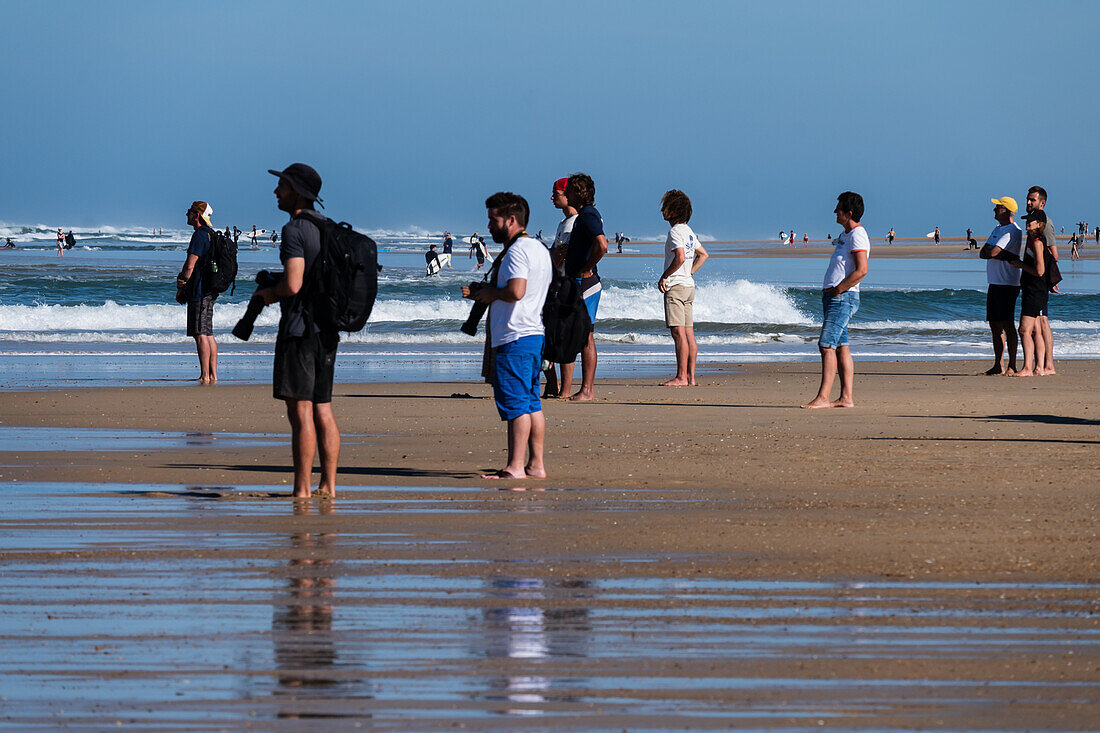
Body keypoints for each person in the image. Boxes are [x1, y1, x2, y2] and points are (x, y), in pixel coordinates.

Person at [253, 163, 340, 500]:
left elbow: (293, 283)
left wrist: (268, 294)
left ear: (298, 192)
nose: (277, 192)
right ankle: (329, 486)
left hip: (299, 330)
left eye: (283, 186)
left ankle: (302, 489)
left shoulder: (294, 230)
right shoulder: (329, 228)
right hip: (328, 330)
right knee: (323, 408)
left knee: (300, 411)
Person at [461, 192, 551, 479]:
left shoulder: (517, 251)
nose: (489, 226)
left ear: (511, 220)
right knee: (530, 402)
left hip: (515, 336)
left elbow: (516, 291)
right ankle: (535, 464)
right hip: (533, 334)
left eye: (493, 220)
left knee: (515, 405)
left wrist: (489, 294)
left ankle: (515, 466)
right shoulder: (538, 249)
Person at [802, 192, 869, 409]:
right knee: (841, 346)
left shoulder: (857, 235)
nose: (834, 211)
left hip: (843, 298)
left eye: (838, 208)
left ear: (849, 213)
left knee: (826, 345)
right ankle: (846, 397)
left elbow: (862, 270)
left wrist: (839, 289)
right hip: (836, 297)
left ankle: (823, 397)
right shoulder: (845, 235)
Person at [560, 173, 608, 401]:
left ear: (577, 193)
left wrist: (588, 267)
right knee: (580, 336)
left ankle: (587, 390)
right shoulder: (584, 216)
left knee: (586, 337)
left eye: (568, 190)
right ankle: (583, 389)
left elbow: (602, 245)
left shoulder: (588, 215)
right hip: (577, 283)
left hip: (586, 284)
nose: (565, 193)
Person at [657, 189, 709, 387]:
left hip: (677, 286)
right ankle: (691, 377)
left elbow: (679, 257)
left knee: (678, 333)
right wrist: (690, 272)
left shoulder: (675, 232)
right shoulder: (688, 231)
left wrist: (665, 276)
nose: (662, 210)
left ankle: (681, 377)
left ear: (672, 210)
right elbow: (703, 254)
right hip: (688, 286)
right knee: (688, 334)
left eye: (665, 207)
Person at [979, 196, 1023, 375]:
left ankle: (1012, 364)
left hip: (1007, 282)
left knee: (1007, 324)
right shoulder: (998, 228)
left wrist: (994, 252)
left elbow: (993, 251)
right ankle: (999, 364)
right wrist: (995, 253)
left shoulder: (1013, 230)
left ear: (1006, 210)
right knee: (994, 324)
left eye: (998, 207)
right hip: (994, 281)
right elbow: (984, 252)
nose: (994, 210)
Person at [177, 201, 219, 384]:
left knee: (200, 333)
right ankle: (213, 375)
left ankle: (205, 375)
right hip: (210, 289)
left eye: (189, 212)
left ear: (197, 215)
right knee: (208, 332)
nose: (186, 215)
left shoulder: (199, 236)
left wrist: (182, 284)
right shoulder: (211, 234)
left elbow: (190, 265)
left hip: (199, 290)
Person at [545, 177, 577, 398]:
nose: (552, 198)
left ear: (568, 195)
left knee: (564, 337)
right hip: (556, 284)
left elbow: (561, 254)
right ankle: (553, 384)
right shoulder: (562, 224)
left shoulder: (576, 222)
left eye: (556, 194)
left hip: (567, 284)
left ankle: (564, 389)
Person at [1024, 186, 1059, 374]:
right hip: (1035, 279)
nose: (1029, 203)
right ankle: (1042, 365)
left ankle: (1047, 365)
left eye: (1033, 200)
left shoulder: (1045, 224)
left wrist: (1050, 279)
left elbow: (1053, 253)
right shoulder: (1031, 221)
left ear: (1042, 202)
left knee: (1042, 323)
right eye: (1028, 199)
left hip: (1040, 280)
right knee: (1039, 323)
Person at [1011, 210, 1049, 377]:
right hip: (1034, 290)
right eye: (1027, 220)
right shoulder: (1033, 240)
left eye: (1031, 221)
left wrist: (1021, 265)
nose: (1028, 223)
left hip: (1035, 291)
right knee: (1036, 330)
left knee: (1024, 330)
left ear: (1040, 224)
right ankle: (1038, 367)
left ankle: (1027, 368)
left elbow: (1040, 270)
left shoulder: (1037, 242)